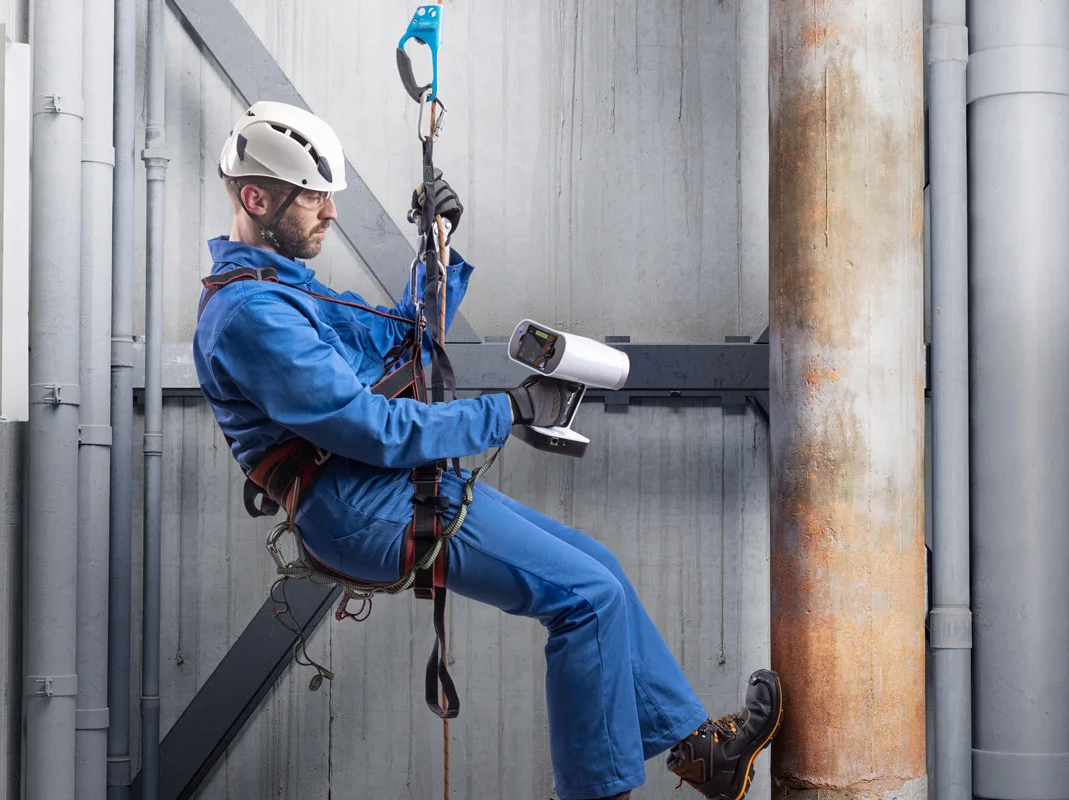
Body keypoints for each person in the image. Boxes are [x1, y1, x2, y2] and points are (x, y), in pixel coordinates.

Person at [192, 101, 781, 800]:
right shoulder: (251, 317)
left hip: (386, 483)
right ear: (257, 198)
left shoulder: (284, 291)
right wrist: (506, 412)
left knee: (601, 570)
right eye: (312, 198)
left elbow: (402, 340)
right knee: (584, 601)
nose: (329, 213)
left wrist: (437, 247)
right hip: (357, 504)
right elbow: (373, 427)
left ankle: (699, 755)